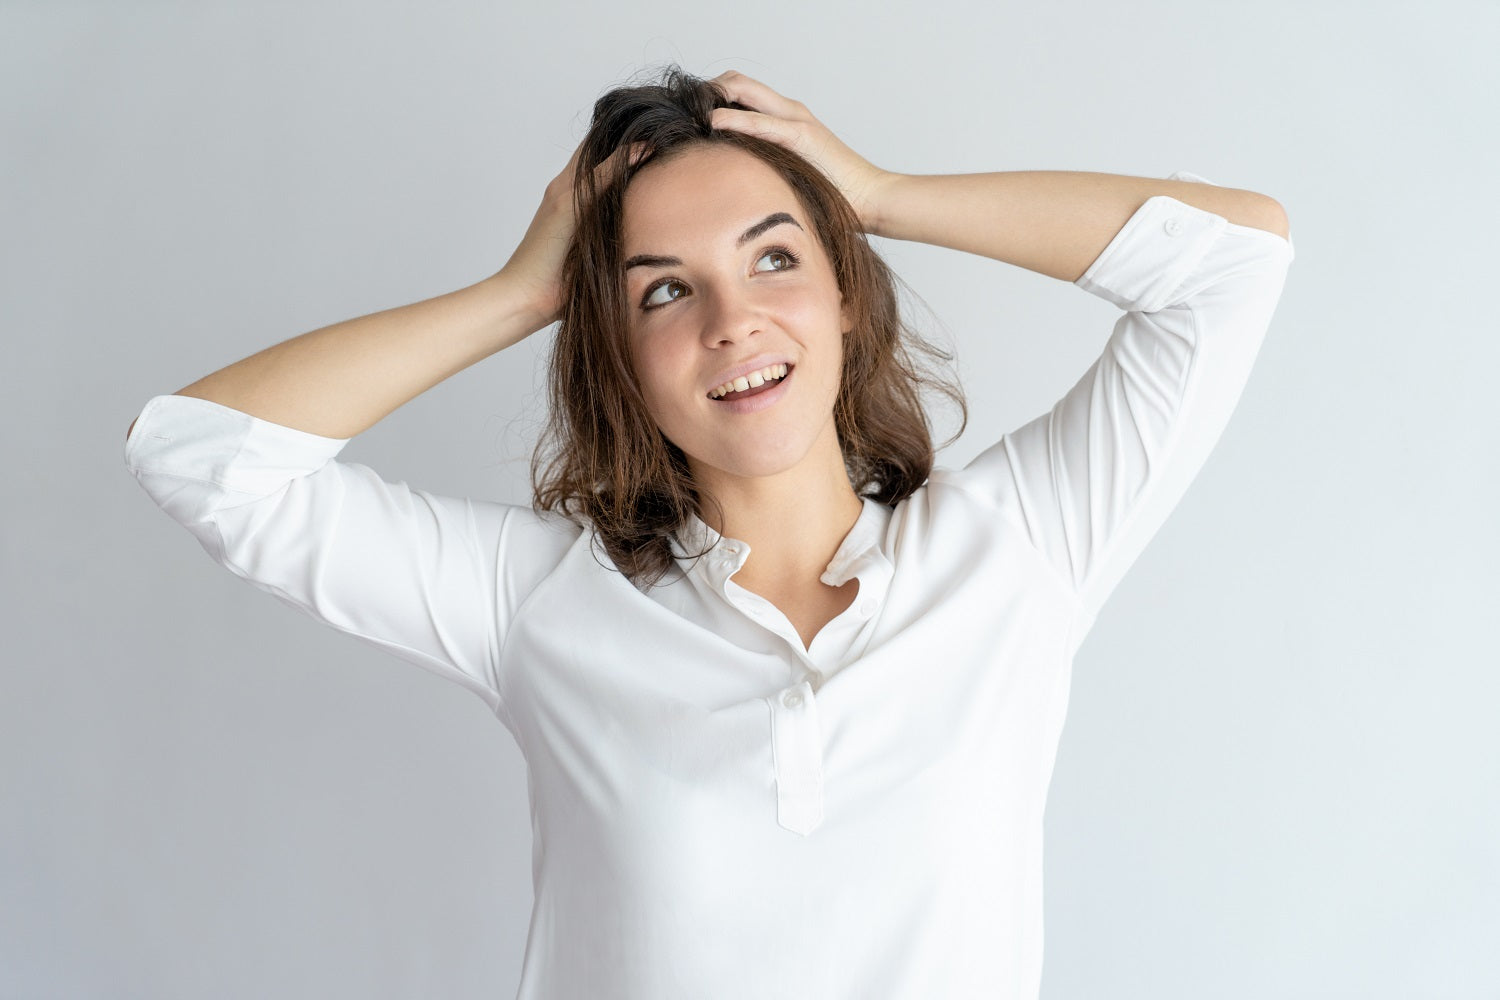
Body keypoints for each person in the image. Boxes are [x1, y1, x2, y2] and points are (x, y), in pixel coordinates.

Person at [124, 67, 1294, 999]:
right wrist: (524, 292)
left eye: (776, 257)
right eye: (664, 291)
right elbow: (201, 455)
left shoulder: (1021, 544)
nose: (735, 320)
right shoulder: (540, 600)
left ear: (846, 292)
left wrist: (877, 193)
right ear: (618, 353)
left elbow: (1234, 261)